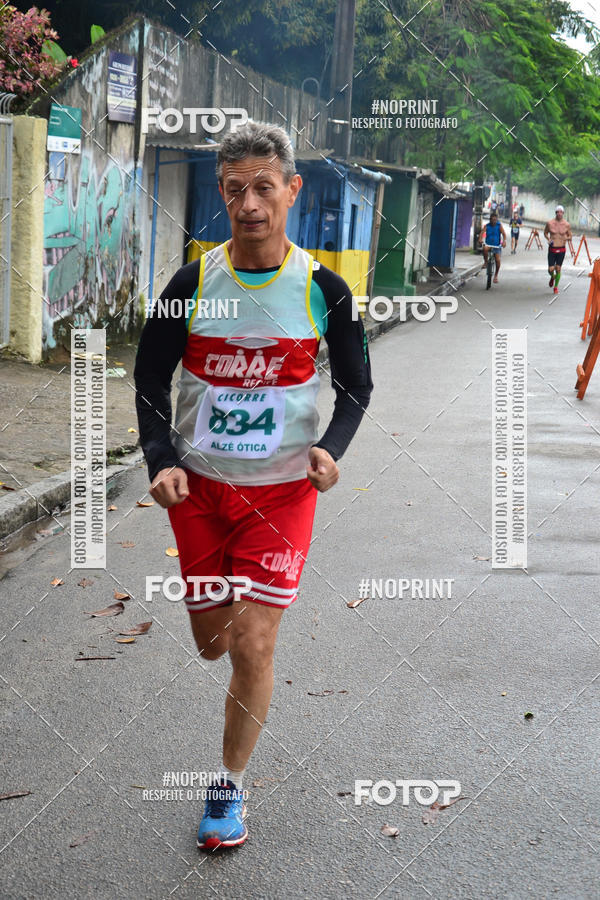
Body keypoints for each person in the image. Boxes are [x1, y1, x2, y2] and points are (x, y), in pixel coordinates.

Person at [134, 122, 373, 851]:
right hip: (200, 491)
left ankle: (227, 791)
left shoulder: (325, 290)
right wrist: (159, 459)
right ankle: (229, 605)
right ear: (222, 194)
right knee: (212, 643)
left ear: (291, 191)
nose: (250, 205)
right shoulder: (190, 284)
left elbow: (357, 386)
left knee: (253, 642)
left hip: (280, 497)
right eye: (235, 189)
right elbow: (148, 376)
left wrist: (330, 449)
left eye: (264, 188)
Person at [544, 204, 572, 293]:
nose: (559, 213)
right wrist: (548, 239)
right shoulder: (550, 223)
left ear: (563, 213)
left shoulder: (567, 224)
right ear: (555, 213)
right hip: (552, 248)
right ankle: (552, 277)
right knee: (551, 269)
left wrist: (566, 238)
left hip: (562, 249)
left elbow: (570, 236)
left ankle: (555, 287)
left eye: (561, 212)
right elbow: (545, 233)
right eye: (558, 212)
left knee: (558, 268)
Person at [478, 211, 507, 282]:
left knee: (497, 260)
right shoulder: (487, 226)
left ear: (497, 220)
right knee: (484, 248)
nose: (494, 221)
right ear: (490, 220)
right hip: (489, 244)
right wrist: (480, 239)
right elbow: (482, 233)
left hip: (497, 245)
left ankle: (496, 275)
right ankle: (485, 262)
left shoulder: (499, 225)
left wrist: (504, 241)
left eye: (495, 220)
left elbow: (504, 234)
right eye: (492, 220)